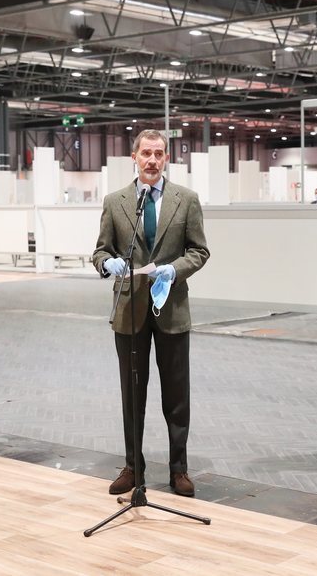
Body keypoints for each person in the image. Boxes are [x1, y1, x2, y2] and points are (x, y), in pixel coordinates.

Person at [92, 129, 210, 497]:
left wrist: (174, 270)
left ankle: (179, 470)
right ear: (134, 157)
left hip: (171, 307)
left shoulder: (186, 200)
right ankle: (133, 467)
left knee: (176, 396)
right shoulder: (116, 202)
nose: (152, 160)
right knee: (132, 393)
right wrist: (108, 263)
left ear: (167, 158)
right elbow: (99, 251)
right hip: (129, 310)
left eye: (159, 153)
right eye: (146, 153)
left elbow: (199, 251)